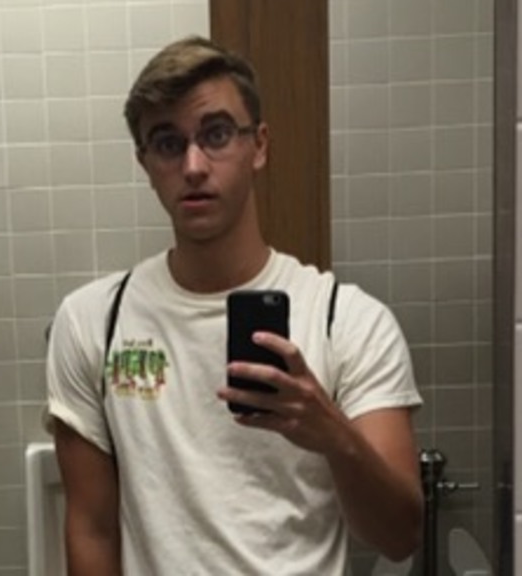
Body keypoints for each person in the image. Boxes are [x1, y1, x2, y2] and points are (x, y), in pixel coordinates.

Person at [46, 35, 423, 575]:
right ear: (145, 163)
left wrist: (333, 435)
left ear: (259, 146)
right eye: (168, 143)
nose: (194, 165)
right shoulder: (93, 323)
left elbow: (400, 535)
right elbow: (91, 528)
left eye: (217, 134)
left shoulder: (349, 322)